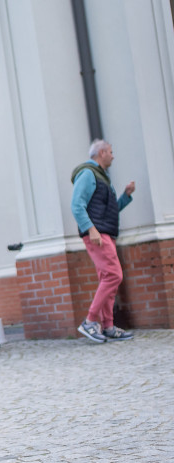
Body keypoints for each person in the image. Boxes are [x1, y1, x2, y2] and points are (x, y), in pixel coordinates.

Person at [70, 139, 136, 343]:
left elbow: (110, 210)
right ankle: (90, 321)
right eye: (111, 151)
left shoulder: (101, 178)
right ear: (101, 153)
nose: (113, 155)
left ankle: (107, 326)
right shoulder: (88, 174)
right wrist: (91, 230)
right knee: (114, 275)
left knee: (107, 278)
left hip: (105, 233)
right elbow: (76, 205)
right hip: (97, 235)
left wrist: (125, 195)